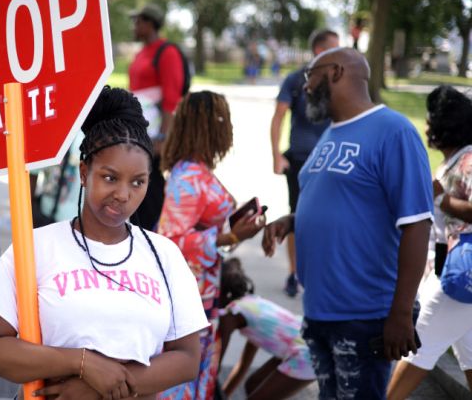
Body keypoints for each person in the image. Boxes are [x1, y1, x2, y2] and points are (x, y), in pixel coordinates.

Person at [0, 86, 208, 400]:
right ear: (85, 172)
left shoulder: (164, 255)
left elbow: (187, 359)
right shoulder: (36, 248)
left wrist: (98, 389)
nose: (123, 195)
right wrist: (81, 362)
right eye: (110, 178)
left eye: (137, 182)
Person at [262, 47, 433, 399]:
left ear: (336, 72)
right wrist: (292, 221)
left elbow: (417, 223)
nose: (305, 86)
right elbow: (342, 201)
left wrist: (400, 313)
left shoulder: (393, 131)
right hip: (321, 312)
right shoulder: (330, 133)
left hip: (365, 314)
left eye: (310, 74)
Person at [156, 90, 266, 400]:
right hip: (187, 295)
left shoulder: (197, 169)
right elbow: (172, 240)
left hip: (204, 288)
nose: (227, 126)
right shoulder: (188, 176)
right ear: (205, 126)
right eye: (222, 119)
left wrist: (235, 227)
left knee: (199, 373)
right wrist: (231, 237)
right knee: (183, 378)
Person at [387, 85, 472, 399]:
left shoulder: (468, 161)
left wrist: (443, 199)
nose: (424, 126)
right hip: (459, 279)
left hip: (458, 277)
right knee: (470, 356)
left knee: (418, 348)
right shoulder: (454, 162)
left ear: (444, 124)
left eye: (429, 119)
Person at [269, 29, 339, 298]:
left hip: (330, 163)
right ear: (320, 51)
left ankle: (322, 272)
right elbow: (278, 117)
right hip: (299, 161)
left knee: (329, 218)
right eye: (334, 49)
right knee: (296, 218)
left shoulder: (337, 81)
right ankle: (293, 273)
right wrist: (276, 154)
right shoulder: (296, 80)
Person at [217, 258, 315, 399]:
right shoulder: (252, 305)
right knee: (253, 385)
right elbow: (244, 364)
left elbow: (216, 365)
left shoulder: (230, 315)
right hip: (305, 344)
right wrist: (224, 395)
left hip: (305, 353)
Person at [128, 3, 185, 230]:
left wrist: (163, 137)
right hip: (138, 130)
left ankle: (156, 233)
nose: (135, 26)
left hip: (155, 134)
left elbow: (171, 98)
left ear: (150, 23)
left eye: (139, 21)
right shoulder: (142, 52)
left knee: (150, 186)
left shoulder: (167, 52)